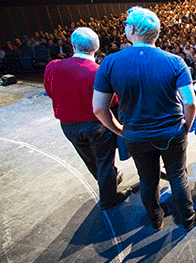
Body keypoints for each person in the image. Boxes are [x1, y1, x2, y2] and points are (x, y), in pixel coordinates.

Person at [92, 6, 196, 232]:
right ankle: (188, 218)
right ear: (156, 33)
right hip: (171, 132)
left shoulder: (110, 62)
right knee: (177, 175)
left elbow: (98, 109)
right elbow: (190, 102)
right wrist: (186, 127)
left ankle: (156, 219)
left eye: (126, 26)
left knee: (147, 179)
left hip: (135, 134)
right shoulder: (174, 61)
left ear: (132, 30)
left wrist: (120, 130)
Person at [43, 27, 131, 210]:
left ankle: (107, 181)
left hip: (68, 126)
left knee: (89, 159)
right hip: (96, 125)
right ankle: (109, 198)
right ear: (97, 48)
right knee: (104, 161)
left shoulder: (53, 66)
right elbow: (112, 100)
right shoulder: (98, 72)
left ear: (73, 45)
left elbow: (50, 92)